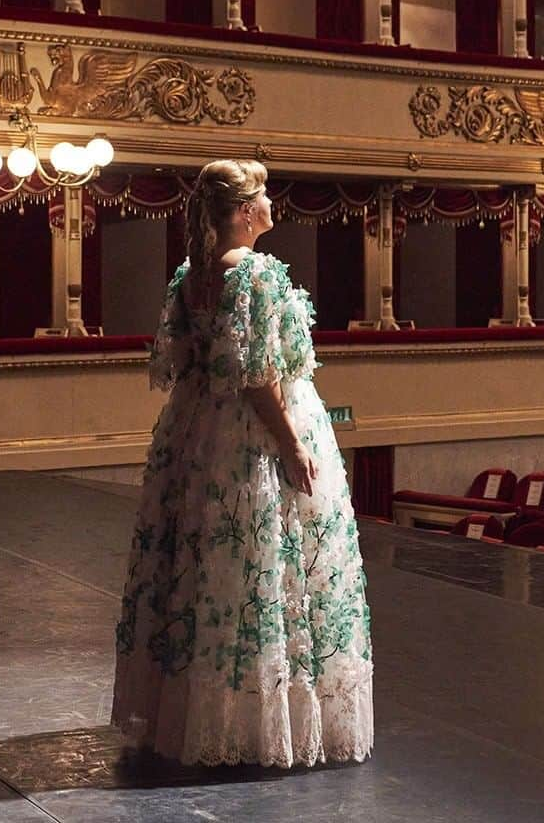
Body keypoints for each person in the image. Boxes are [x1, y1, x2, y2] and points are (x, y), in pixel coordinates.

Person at [112, 159, 374, 768]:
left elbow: (184, 364)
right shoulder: (255, 273)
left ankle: (198, 719)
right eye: (263, 195)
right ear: (245, 211)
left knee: (208, 571)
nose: (272, 204)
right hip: (250, 440)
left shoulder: (193, 274)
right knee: (264, 569)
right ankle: (259, 724)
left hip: (200, 434)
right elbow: (259, 377)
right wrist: (293, 444)